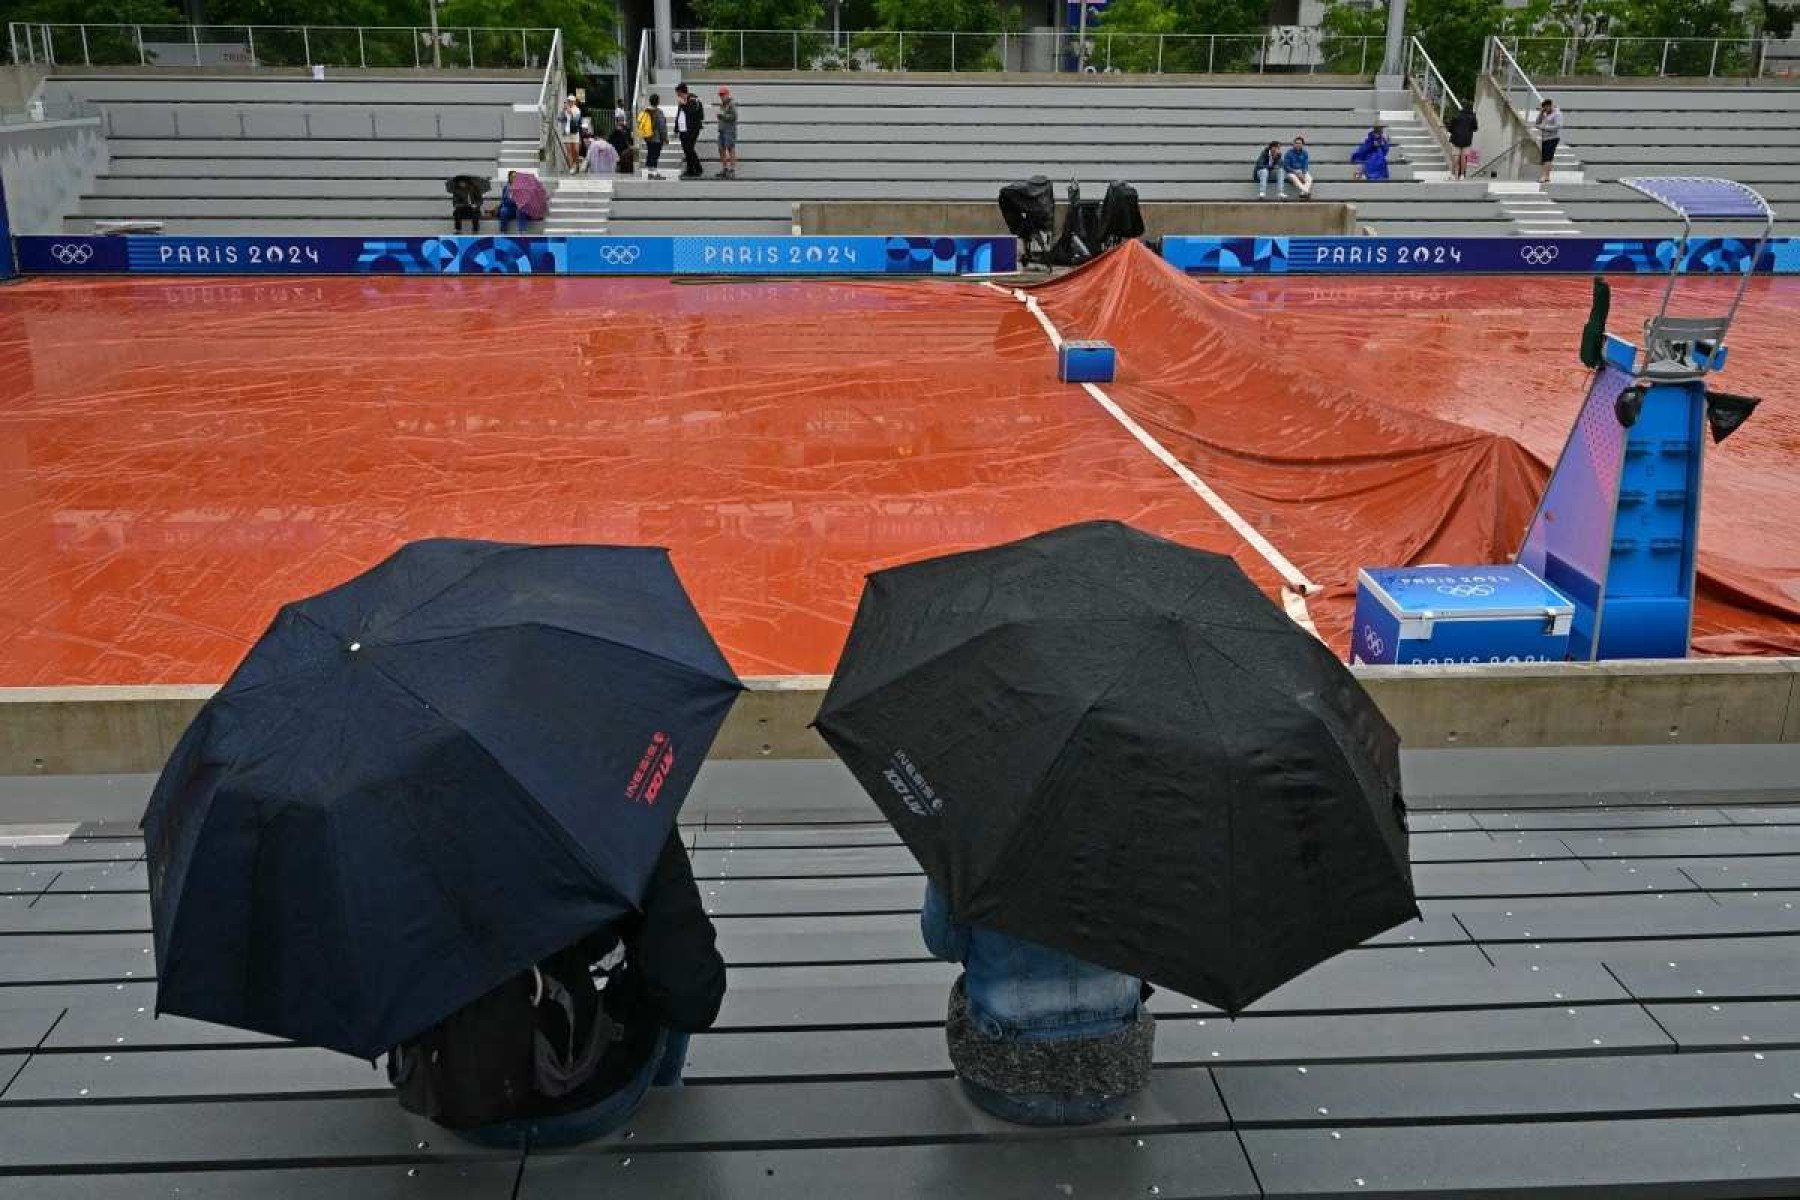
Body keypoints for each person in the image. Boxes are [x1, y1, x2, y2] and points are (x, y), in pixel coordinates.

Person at [392, 831, 726, 1148]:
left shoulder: (400, 810)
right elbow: (691, 996)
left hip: (449, 1098)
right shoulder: (619, 801)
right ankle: (667, 1106)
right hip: (591, 1101)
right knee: (668, 955)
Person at [920, 881, 1153, 1126]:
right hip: (1113, 1083)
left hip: (1004, 1085)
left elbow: (945, 944)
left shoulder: (974, 848)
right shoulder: (1144, 851)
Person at [675, 83, 704, 180]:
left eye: (678, 93)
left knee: (689, 149)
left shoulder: (693, 100)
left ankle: (697, 169)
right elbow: (679, 115)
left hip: (692, 129)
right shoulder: (683, 101)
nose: (677, 96)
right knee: (687, 150)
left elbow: (692, 112)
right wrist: (676, 129)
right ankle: (690, 169)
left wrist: (683, 105)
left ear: (682, 92)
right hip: (683, 130)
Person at [639, 93, 668, 179]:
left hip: (648, 137)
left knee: (650, 153)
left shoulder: (645, 111)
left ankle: (650, 172)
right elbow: (662, 126)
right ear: (658, 101)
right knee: (655, 154)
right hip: (656, 137)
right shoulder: (659, 112)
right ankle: (654, 173)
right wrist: (665, 138)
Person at [1446, 103, 1478, 179]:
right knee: (1464, 158)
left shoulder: (1456, 116)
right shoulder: (1472, 117)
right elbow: (1475, 128)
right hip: (1466, 140)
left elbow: (1450, 128)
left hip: (1456, 139)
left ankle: (1453, 175)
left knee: (1456, 157)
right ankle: (1462, 175)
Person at [1535, 98, 1563, 185]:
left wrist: (1544, 128)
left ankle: (1544, 176)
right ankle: (1547, 176)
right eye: (1544, 108)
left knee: (1547, 157)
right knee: (1545, 158)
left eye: (1546, 107)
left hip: (1553, 138)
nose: (1545, 109)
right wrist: (1541, 112)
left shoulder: (1557, 114)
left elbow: (1558, 126)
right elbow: (1537, 122)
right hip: (1545, 138)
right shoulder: (1545, 114)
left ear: (1550, 105)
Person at [715, 86, 739, 179]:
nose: (721, 96)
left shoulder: (731, 104)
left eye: (723, 94)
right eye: (720, 95)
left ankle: (732, 170)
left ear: (727, 94)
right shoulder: (722, 104)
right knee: (721, 149)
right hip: (722, 130)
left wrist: (722, 115)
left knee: (730, 149)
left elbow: (734, 117)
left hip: (729, 131)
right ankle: (725, 169)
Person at [557, 95, 584, 171]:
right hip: (566, 132)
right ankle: (571, 167)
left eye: (571, 101)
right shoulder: (565, 109)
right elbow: (559, 119)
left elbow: (576, 121)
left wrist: (570, 112)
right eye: (568, 101)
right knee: (569, 151)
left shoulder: (577, 110)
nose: (569, 102)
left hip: (574, 132)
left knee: (575, 150)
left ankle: (576, 164)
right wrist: (563, 111)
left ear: (574, 102)